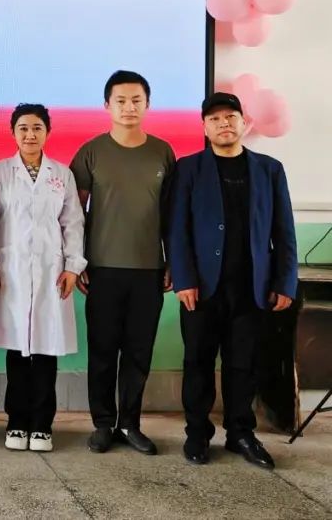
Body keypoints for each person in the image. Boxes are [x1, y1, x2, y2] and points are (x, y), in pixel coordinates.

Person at [167, 92, 298, 469]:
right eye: (215, 118)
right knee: (198, 362)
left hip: (252, 287)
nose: (224, 123)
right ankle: (197, 433)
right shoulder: (189, 168)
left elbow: (284, 230)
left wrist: (284, 282)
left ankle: (241, 433)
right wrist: (184, 279)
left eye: (230, 117)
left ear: (245, 123)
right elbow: (177, 229)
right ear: (204, 127)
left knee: (244, 364)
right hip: (202, 288)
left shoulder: (269, 169)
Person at [70, 70, 175, 455]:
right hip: (102, 269)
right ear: (107, 105)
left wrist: (172, 261)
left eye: (136, 100)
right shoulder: (91, 152)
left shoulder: (163, 152)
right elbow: (73, 214)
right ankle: (102, 424)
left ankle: (130, 423)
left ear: (147, 104)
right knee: (102, 351)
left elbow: (171, 214)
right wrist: (77, 260)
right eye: (121, 101)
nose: (129, 107)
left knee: (138, 352)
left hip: (149, 270)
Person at [0, 104, 85, 453]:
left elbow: (73, 223)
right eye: (23, 128)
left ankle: (42, 425)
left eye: (37, 128)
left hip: (50, 272)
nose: (30, 134)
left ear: (47, 132)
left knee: (45, 350)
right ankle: (16, 421)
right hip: (10, 271)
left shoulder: (62, 175)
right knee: (16, 351)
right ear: (13, 132)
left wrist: (72, 266)